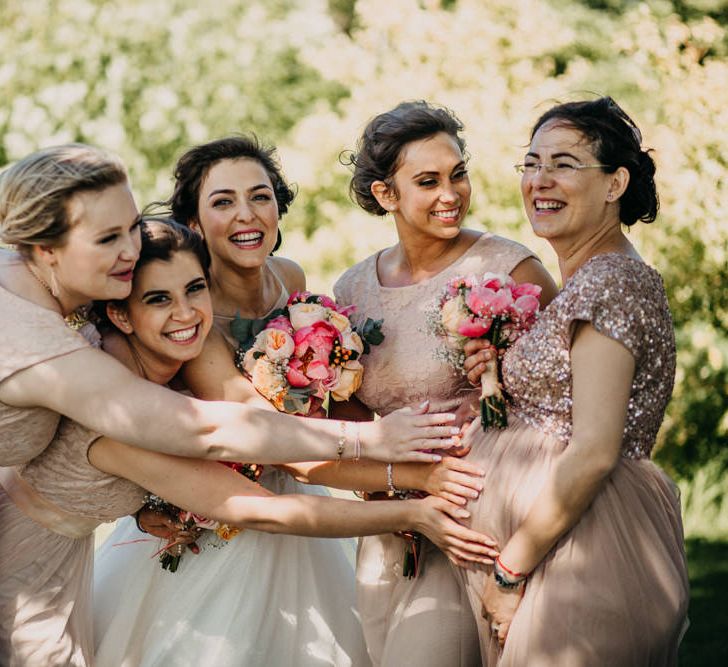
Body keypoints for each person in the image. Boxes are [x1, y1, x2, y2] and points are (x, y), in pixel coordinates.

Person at [0, 215, 491, 666]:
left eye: (195, 289)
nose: (186, 313)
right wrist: (404, 497)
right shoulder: (114, 411)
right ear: (121, 316)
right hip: (25, 569)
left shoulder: (173, 363)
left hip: (71, 554)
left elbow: (247, 428)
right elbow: (253, 503)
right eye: (158, 299)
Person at [0, 143, 459, 469]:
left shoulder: (290, 279)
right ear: (45, 248)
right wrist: (373, 444)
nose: (131, 250)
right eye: (107, 237)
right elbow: (215, 428)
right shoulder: (41, 337)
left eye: (132, 227)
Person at [458, 97, 689, 666]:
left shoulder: (610, 283)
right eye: (531, 163)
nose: (540, 180)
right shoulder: (590, 280)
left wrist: (511, 572)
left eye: (563, 163)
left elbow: (591, 452)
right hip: (553, 548)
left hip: (585, 550)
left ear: (615, 184)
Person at [331, 101, 558, 667]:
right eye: (428, 181)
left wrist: (498, 384)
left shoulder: (510, 271)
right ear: (387, 195)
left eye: (458, 174)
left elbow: (563, 401)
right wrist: (385, 480)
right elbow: (347, 409)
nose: (450, 193)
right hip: (387, 527)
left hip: (475, 527)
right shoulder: (353, 288)